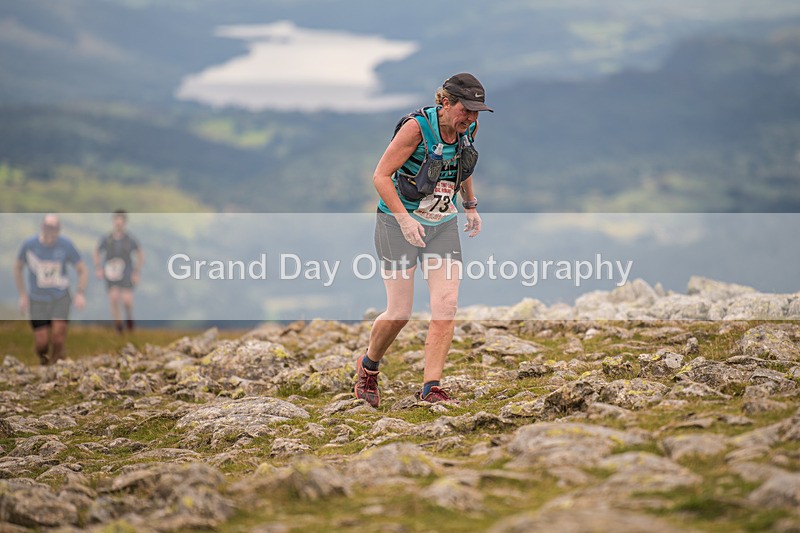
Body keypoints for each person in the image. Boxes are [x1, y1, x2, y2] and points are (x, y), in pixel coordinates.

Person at [354, 73, 492, 406]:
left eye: (476, 111)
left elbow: (464, 165)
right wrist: (404, 220)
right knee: (400, 312)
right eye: (465, 109)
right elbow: (380, 176)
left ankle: (432, 388)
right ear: (445, 102)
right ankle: (369, 367)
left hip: (441, 225)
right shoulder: (416, 129)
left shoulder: (468, 128)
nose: (471, 117)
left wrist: (470, 205)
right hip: (396, 225)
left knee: (446, 305)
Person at [14, 214, 88, 365]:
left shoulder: (66, 245)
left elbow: (82, 269)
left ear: (58, 229)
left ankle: (56, 367)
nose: (51, 231)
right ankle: (44, 361)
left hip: (60, 297)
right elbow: (18, 267)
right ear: (43, 227)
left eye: (54, 228)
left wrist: (80, 293)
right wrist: (22, 294)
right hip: (37, 299)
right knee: (42, 343)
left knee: (58, 338)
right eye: (48, 227)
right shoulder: (30, 245)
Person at [93, 209, 144, 333]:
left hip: (126, 271)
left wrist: (136, 271)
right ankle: (119, 326)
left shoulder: (129, 239)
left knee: (127, 300)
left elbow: (140, 253)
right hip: (111, 272)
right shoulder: (108, 239)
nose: (118, 224)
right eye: (117, 222)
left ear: (124, 223)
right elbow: (97, 251)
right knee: (114, 298)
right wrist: (98, 267)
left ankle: (129, 320)